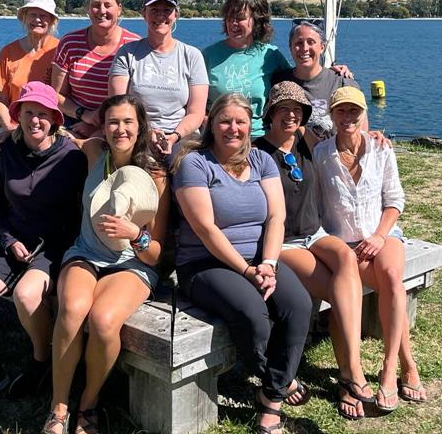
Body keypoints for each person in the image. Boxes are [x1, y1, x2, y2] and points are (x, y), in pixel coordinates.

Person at [172, 93, 313, 434]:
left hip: (259, 260)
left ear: (251, 125)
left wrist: (268, 263)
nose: (232, 128)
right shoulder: (194, 164)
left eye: (240, 121)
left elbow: (277, 217)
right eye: (224, 120)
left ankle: (270, 398)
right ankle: (280, 382)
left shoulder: (262, 160)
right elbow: (206, 229)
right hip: (205, 264)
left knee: (299, 305)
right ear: (210, 123)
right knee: (254, 317)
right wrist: (248, 271)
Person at [44, 94, 170, 434]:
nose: (120, 129)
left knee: (102, 320)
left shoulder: (155, 174)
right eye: (113, 121)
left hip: (133, 264)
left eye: (128, 122)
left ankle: (88, 404)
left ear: (140, 126)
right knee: (71, 310)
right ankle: (58, 406)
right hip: (85, 253)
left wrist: (135, 234)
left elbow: (158, 252)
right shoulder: (95, 151)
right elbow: (65, 135)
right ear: (103, 125)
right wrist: (5, 135)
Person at [0, 82, 87, 407]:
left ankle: (41, 362)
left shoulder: (71, 157)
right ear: (18, 115)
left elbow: (82, 209)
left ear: (55, 119)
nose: (35, 121)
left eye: (43, 114)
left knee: (26, 296)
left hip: (55, 245)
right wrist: (9, 239)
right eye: (29, 112)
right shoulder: (7, 153)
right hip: (13, 241)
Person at [254, 82, 371, 420]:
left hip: (316, 233)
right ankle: (351, 375)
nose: (290, 114)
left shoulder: (309, 141)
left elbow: (346, 124)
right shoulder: (259, 152)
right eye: (283, 108)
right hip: (285, 241)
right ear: (271, 113)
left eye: (297, 109)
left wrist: (373, 134)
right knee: (339, 288)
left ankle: (350, 371)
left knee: (346, 260)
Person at [313, 86, 427, 411]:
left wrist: (379, 236)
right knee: (373, 287)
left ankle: (390, 368)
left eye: (354, 111)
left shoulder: (381, 149)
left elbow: (395, 200)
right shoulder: (321, 155)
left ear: (365, 114)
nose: (348, 117)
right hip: (346, 244)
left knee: (391, 276)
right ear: (332, 116)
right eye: (341, 111)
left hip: (383, 235)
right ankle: (409, 364)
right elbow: (318, 208)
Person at [109, 0, 208, 156]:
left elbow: (196, 113)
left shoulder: (192, 56)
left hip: (182, 137)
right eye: (154, 9)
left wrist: (174, 137)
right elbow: (118, 105)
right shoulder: (127, 53)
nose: (160, 15)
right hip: (137, 135)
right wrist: (147, 133)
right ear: (144, 14)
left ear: (175, 15)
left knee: (188, 172)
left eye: (167, 10)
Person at [52, 0, 140, 139]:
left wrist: (100, 125)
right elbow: (56, 95)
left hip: (119, 125)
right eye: (96, 5)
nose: (101, 10)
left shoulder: (134, 46)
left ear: (119, 9)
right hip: (75, 120)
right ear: (88, 8)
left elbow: (135, 100)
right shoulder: (70, 43)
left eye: (108, 5)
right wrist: (84, 115)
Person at [202, 0, 290, 138]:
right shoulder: (208, 56)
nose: (233, 23)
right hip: (219, 138)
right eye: (229, 17)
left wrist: (332, 72)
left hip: (259, 137)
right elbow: (194, 103)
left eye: (240, 18)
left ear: (256, 20)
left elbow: (297, 82)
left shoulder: (270, 55)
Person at [271, 19, 359, 138]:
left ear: (322, 47)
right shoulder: (279, 83)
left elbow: (360, 125)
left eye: (311, 42)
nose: (305, 48)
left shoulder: (341, 82)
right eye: (298, 43)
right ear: (291, 47)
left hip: (330, 153)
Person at [0, 0, 60, 135]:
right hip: (14, 125)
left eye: (43, 15)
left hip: (49, 126)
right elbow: (1, 100)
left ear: (52, 20)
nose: (37, 20)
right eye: (33, 15)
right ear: (24, 17)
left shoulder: (60, 50)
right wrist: (9, 127)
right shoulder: (8, 52)